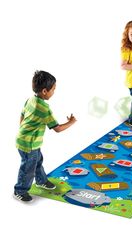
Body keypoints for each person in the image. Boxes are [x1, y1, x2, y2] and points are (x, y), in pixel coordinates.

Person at [14, 70, 77, 202]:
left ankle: (41, 180)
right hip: (29, 144)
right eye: (53, 89)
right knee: (28, 168)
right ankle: (20, 190)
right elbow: (57, 129)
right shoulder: (44, 109)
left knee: (37, 161)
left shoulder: (30, 99)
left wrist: (23, 131)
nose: (54, 92)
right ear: (44, 91)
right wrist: (71, 122)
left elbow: (22, 115)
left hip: (27, 141)